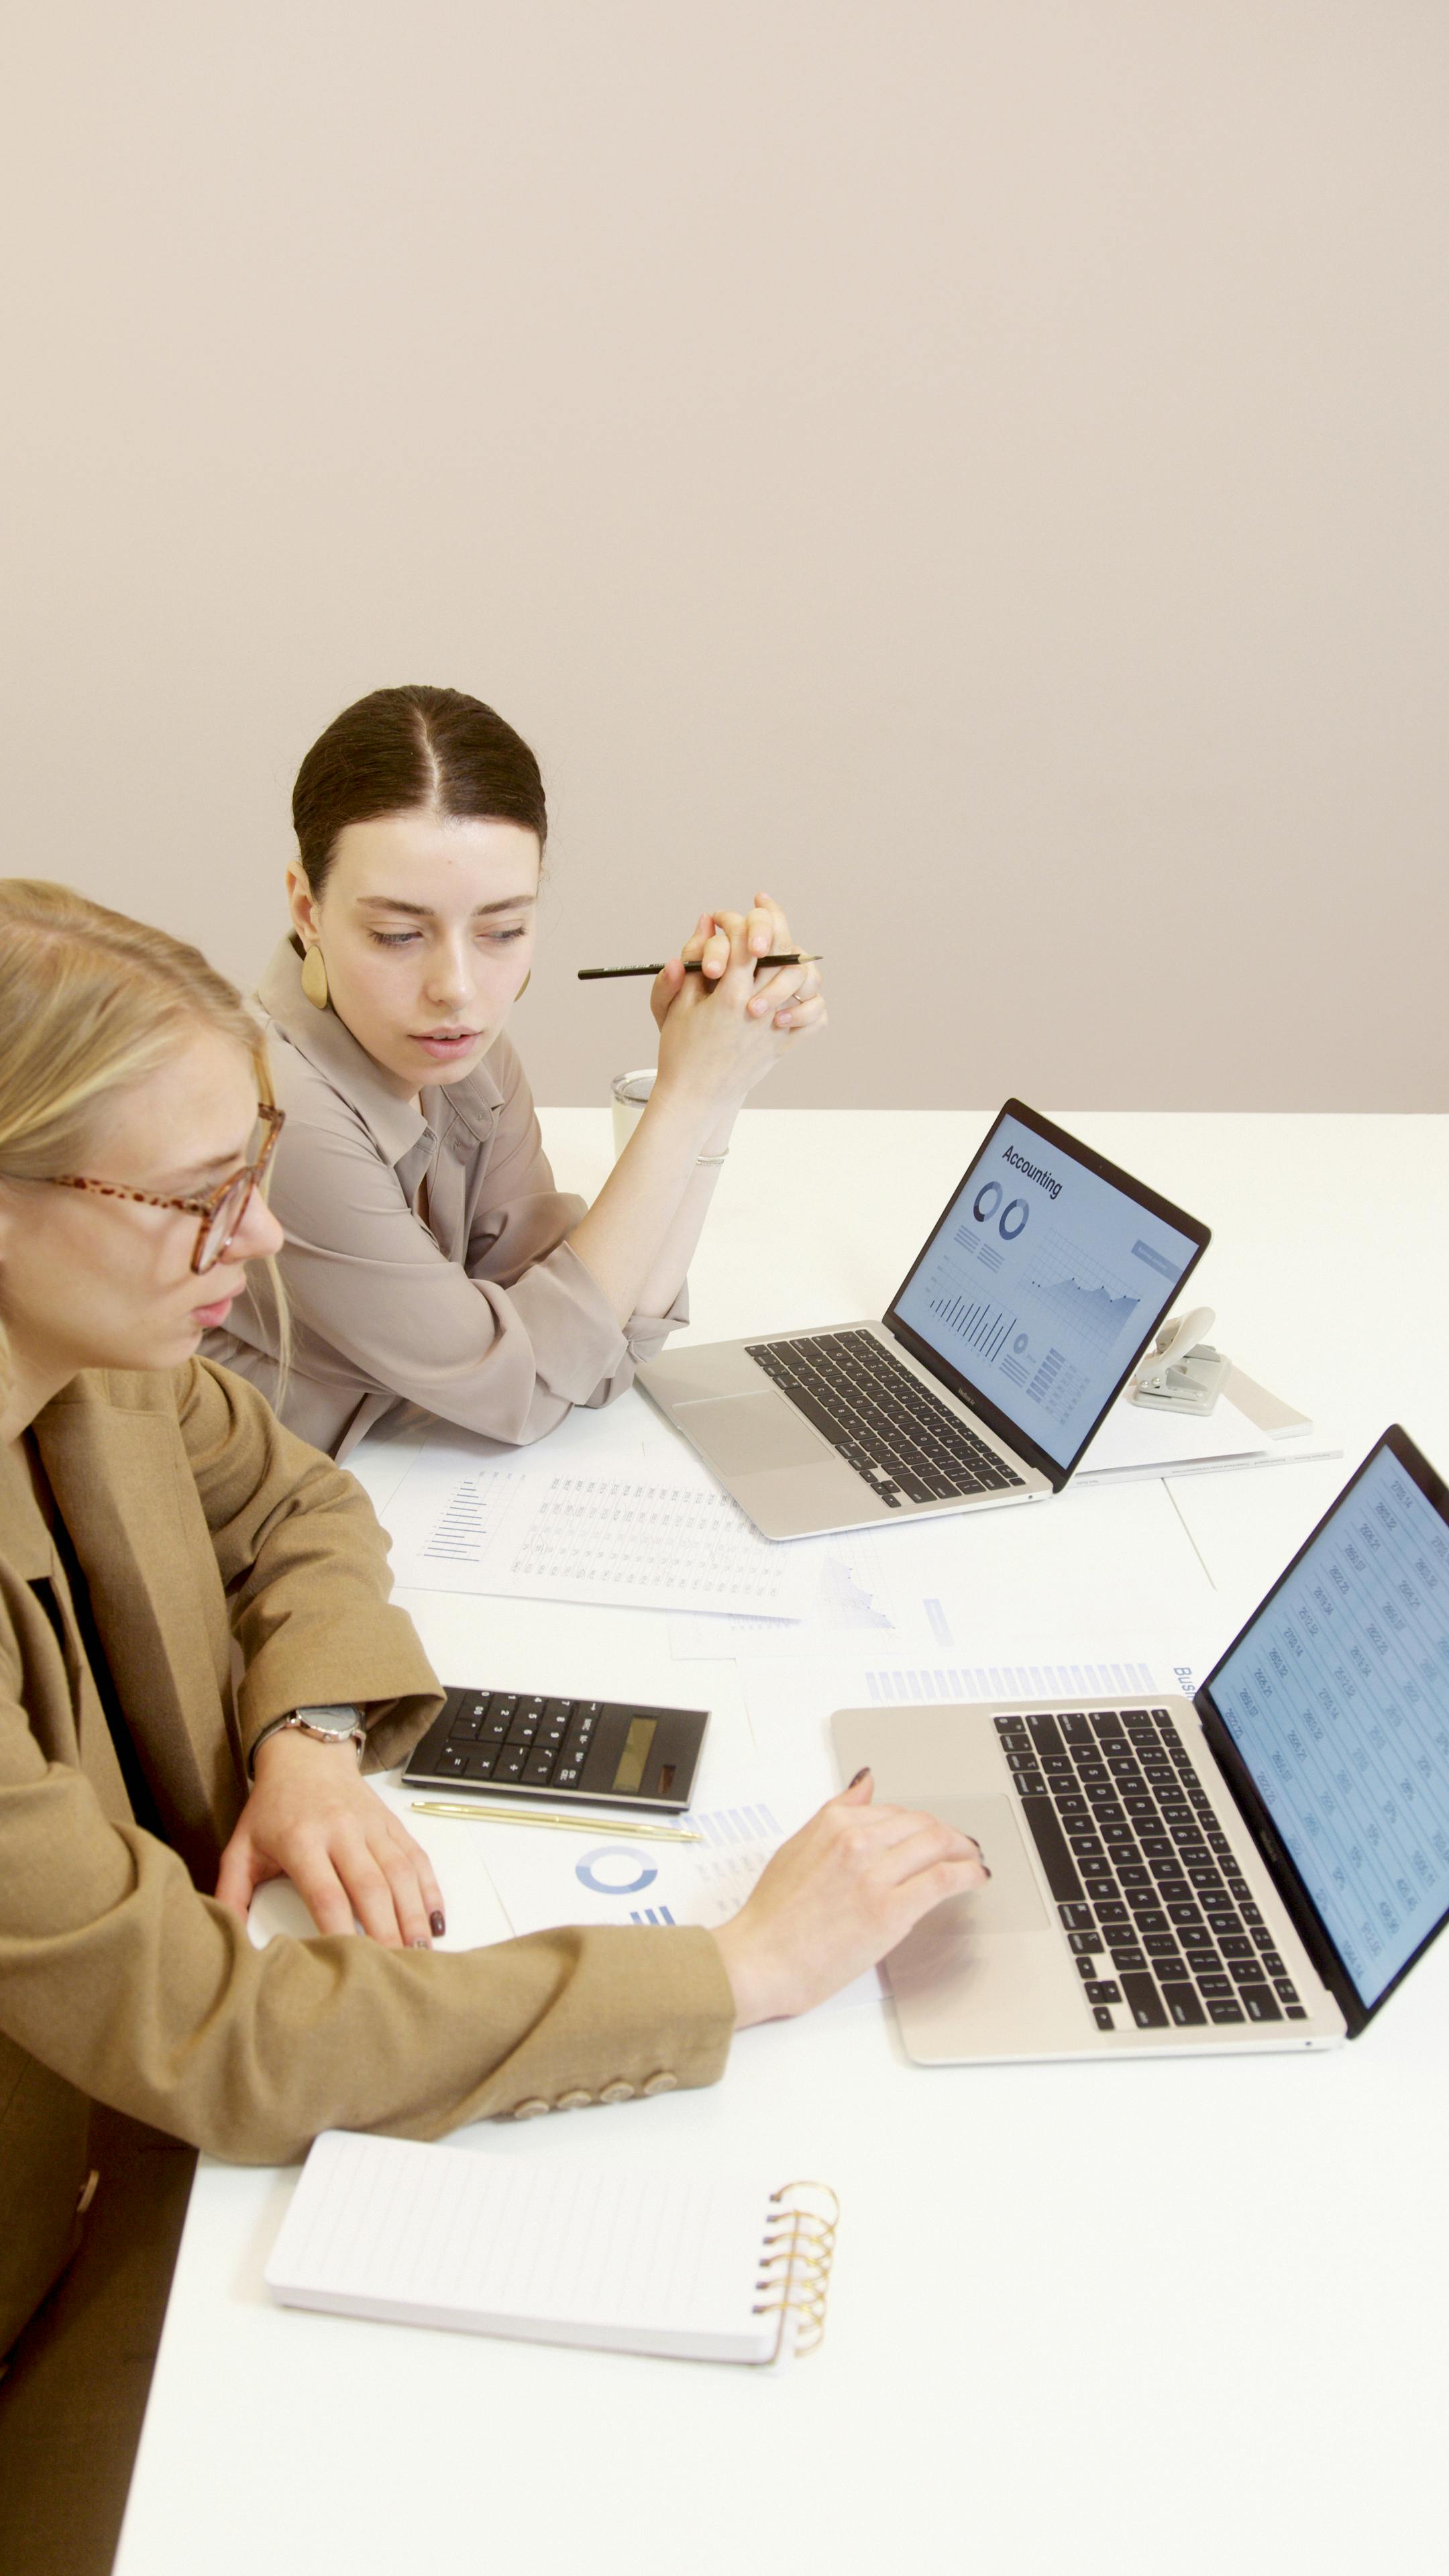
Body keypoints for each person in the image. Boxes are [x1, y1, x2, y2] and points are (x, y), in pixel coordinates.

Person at [0, 881, 985, 2571]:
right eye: (192, 1197)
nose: (259, 1236)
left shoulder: (105, 1355)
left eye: (249, 1169)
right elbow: (221, 2037)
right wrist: (733, 1969)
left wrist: (308, 1729)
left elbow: (298, 1506)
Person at [206, 683, 826, 1458]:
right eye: (398, 935)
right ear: (307, 910)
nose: (457, 988)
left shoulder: (468, 1063)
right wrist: (685, 1091)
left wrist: (721, 1086)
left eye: (503, 929)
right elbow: (526, 1390)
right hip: (225, 1538)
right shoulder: (272, 1107)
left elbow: (599, 1349)